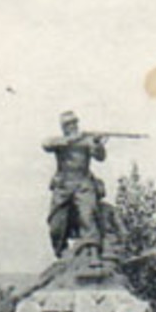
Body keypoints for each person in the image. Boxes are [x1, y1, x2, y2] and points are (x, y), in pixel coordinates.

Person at [43, 110, 110, 258]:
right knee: (56, 224)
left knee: (88, 216)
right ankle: (62, 252)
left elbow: (100, 157)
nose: (72, 126)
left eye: (74, 123)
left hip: (83, 183)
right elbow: (46, 144)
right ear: (63, 127)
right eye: (68, 124)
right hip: (63, 185)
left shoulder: (86, 141)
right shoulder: (60, 141)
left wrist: (98, 144)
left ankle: (92, 252)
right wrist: (74, 139)